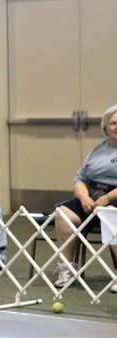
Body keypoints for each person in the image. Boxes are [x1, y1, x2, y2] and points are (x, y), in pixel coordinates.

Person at [54, 104, 117, 293]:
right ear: (105, 128)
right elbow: (80, 178)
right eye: (113, 123)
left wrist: (106, 199)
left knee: (111, 215)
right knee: (63, 214)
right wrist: (83, 198)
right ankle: (67, 269)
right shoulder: (97, 150)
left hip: (112, 198)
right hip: (92, 197)